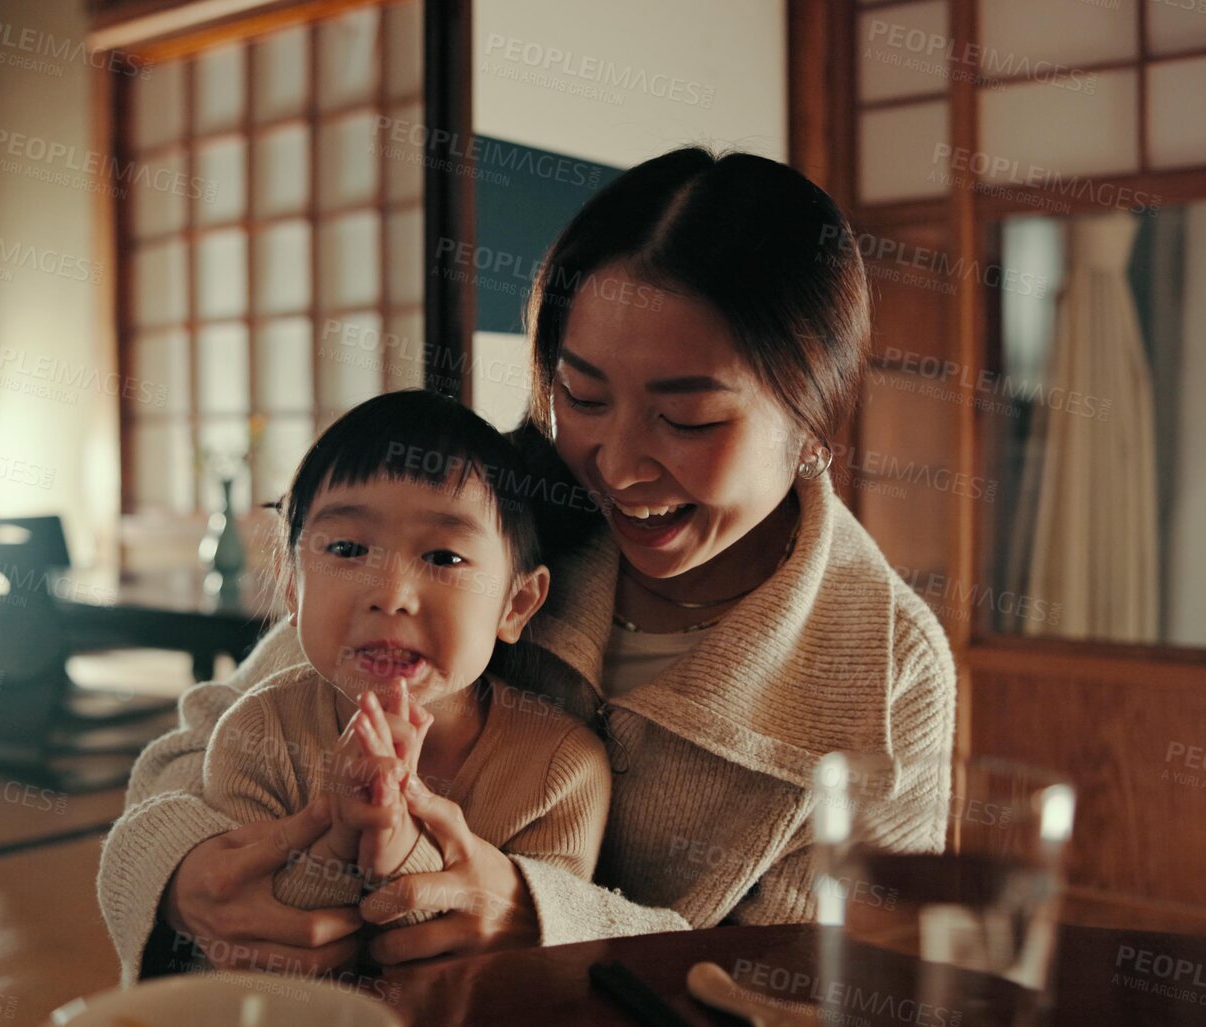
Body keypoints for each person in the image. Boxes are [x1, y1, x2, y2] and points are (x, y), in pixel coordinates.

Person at [98, 146, 957, 985]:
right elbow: (206, 741)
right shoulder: (487, 518)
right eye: (580, 396)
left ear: (813, 420)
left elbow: (824, 981)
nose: (615, 467)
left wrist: (548, 922)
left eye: (688, 418)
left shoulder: (887, 671)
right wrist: (183, 873)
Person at [186, 390, 608, 970]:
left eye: (444, 557)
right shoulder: (256, 736)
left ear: (516, 603)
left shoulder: (560, 772)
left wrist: (396, 843)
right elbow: (258, 946)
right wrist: (343, 837)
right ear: (291, 587)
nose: (390, 595)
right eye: (347, 548)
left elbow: (527, 971)